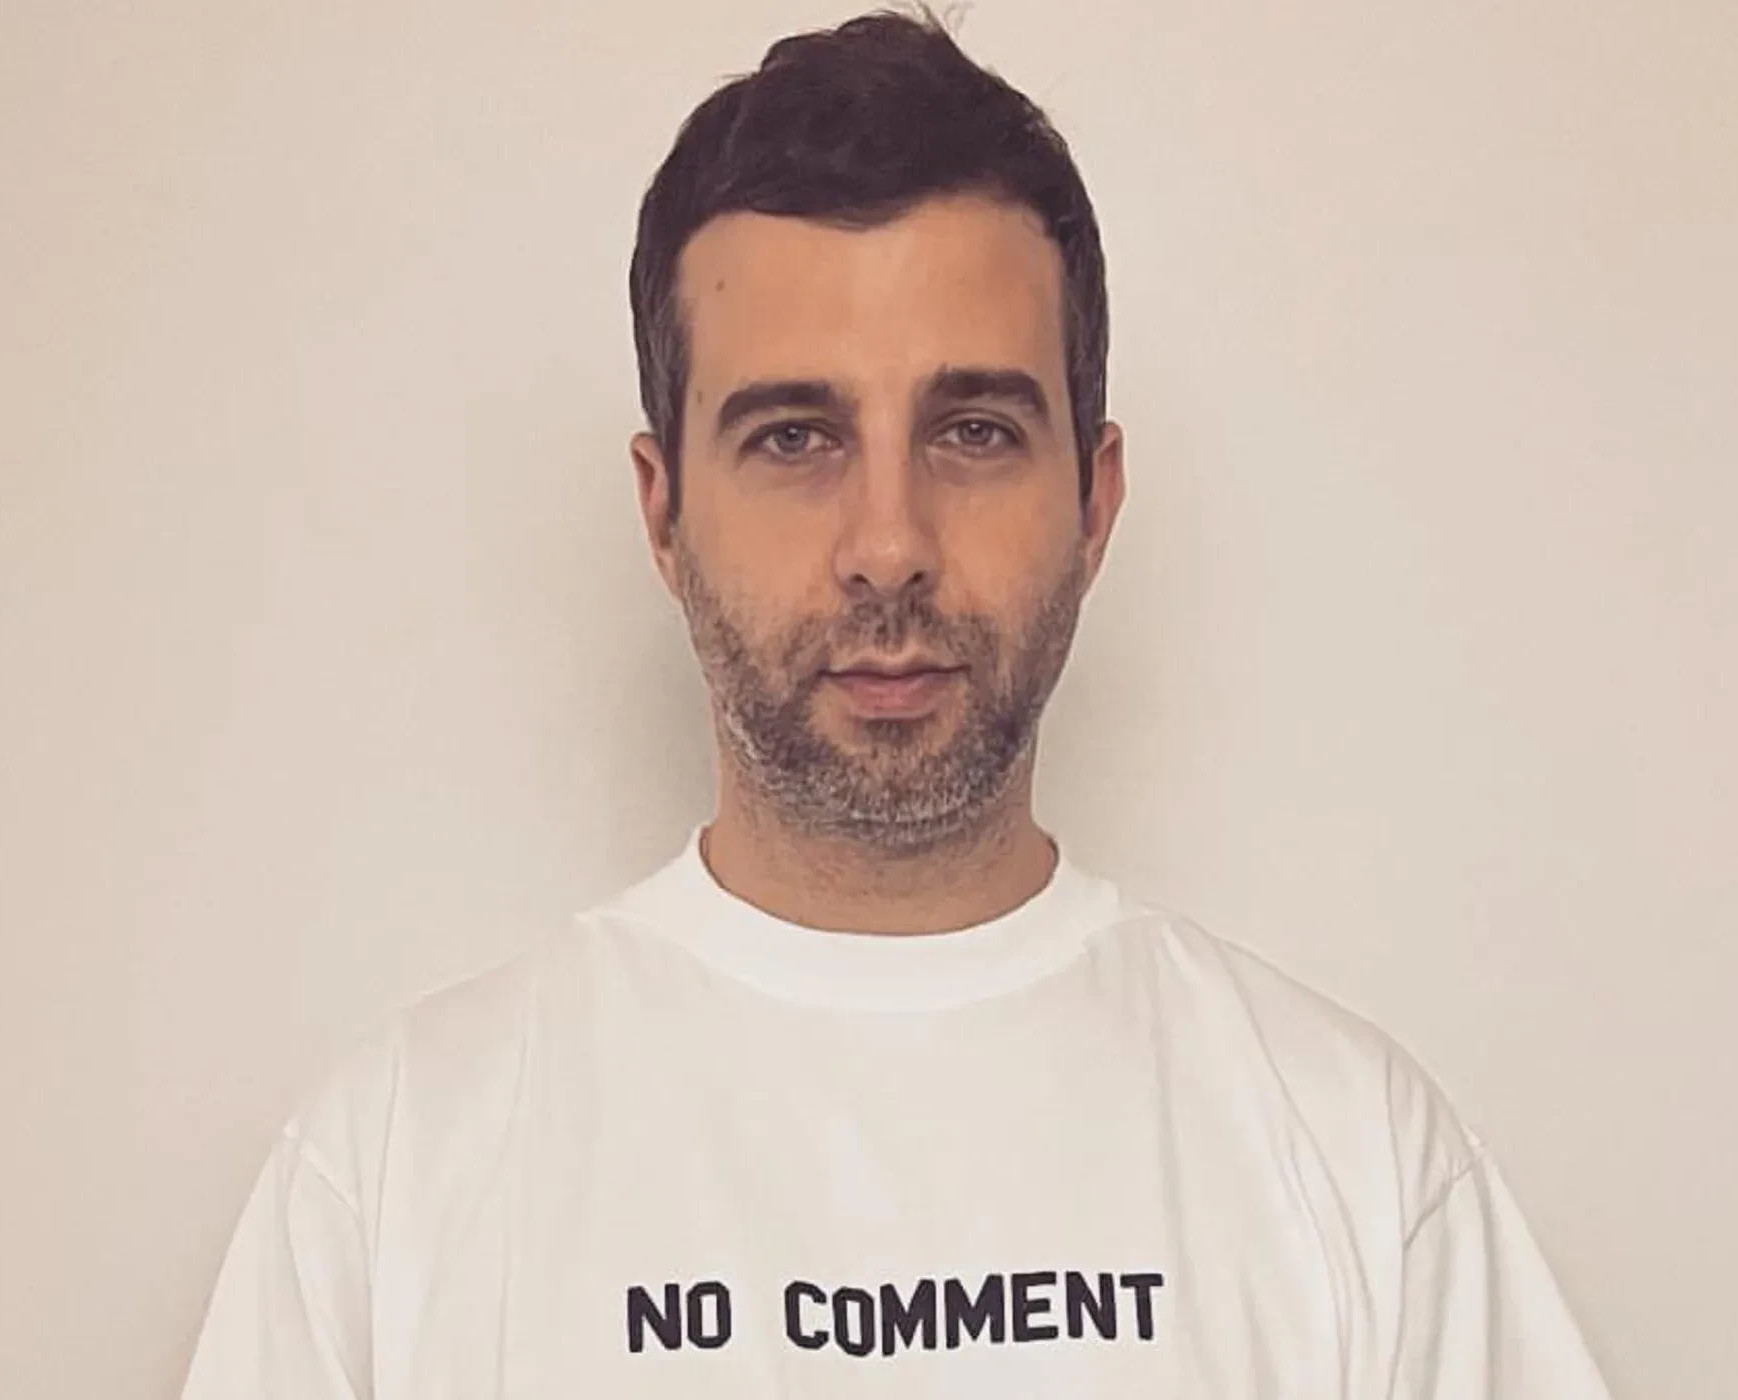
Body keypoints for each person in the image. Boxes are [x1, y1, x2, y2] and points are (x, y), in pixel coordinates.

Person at [182, 9, 1610, 1397]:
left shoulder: (1358, 1164)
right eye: (793, 437)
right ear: (664, 513)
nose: (887, 545)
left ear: (1095, 500)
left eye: (974, 432)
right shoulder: (391, 1186)